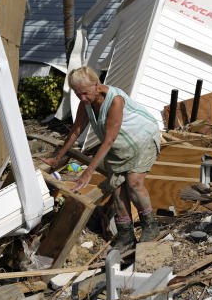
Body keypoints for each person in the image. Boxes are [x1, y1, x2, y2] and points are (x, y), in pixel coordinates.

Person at [41, 66, 161, 251]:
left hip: (141, 138)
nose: (82, 98)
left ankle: (150, 226)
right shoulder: (86, 103)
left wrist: (88, 172)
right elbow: (76, 131)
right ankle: (126, 236)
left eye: (85, 93)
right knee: (116, 186)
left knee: (133, 182)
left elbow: (109, 139)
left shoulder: (115, 101)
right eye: (77, 94)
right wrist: (58, 157)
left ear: (97, 85)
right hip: (120, 145)